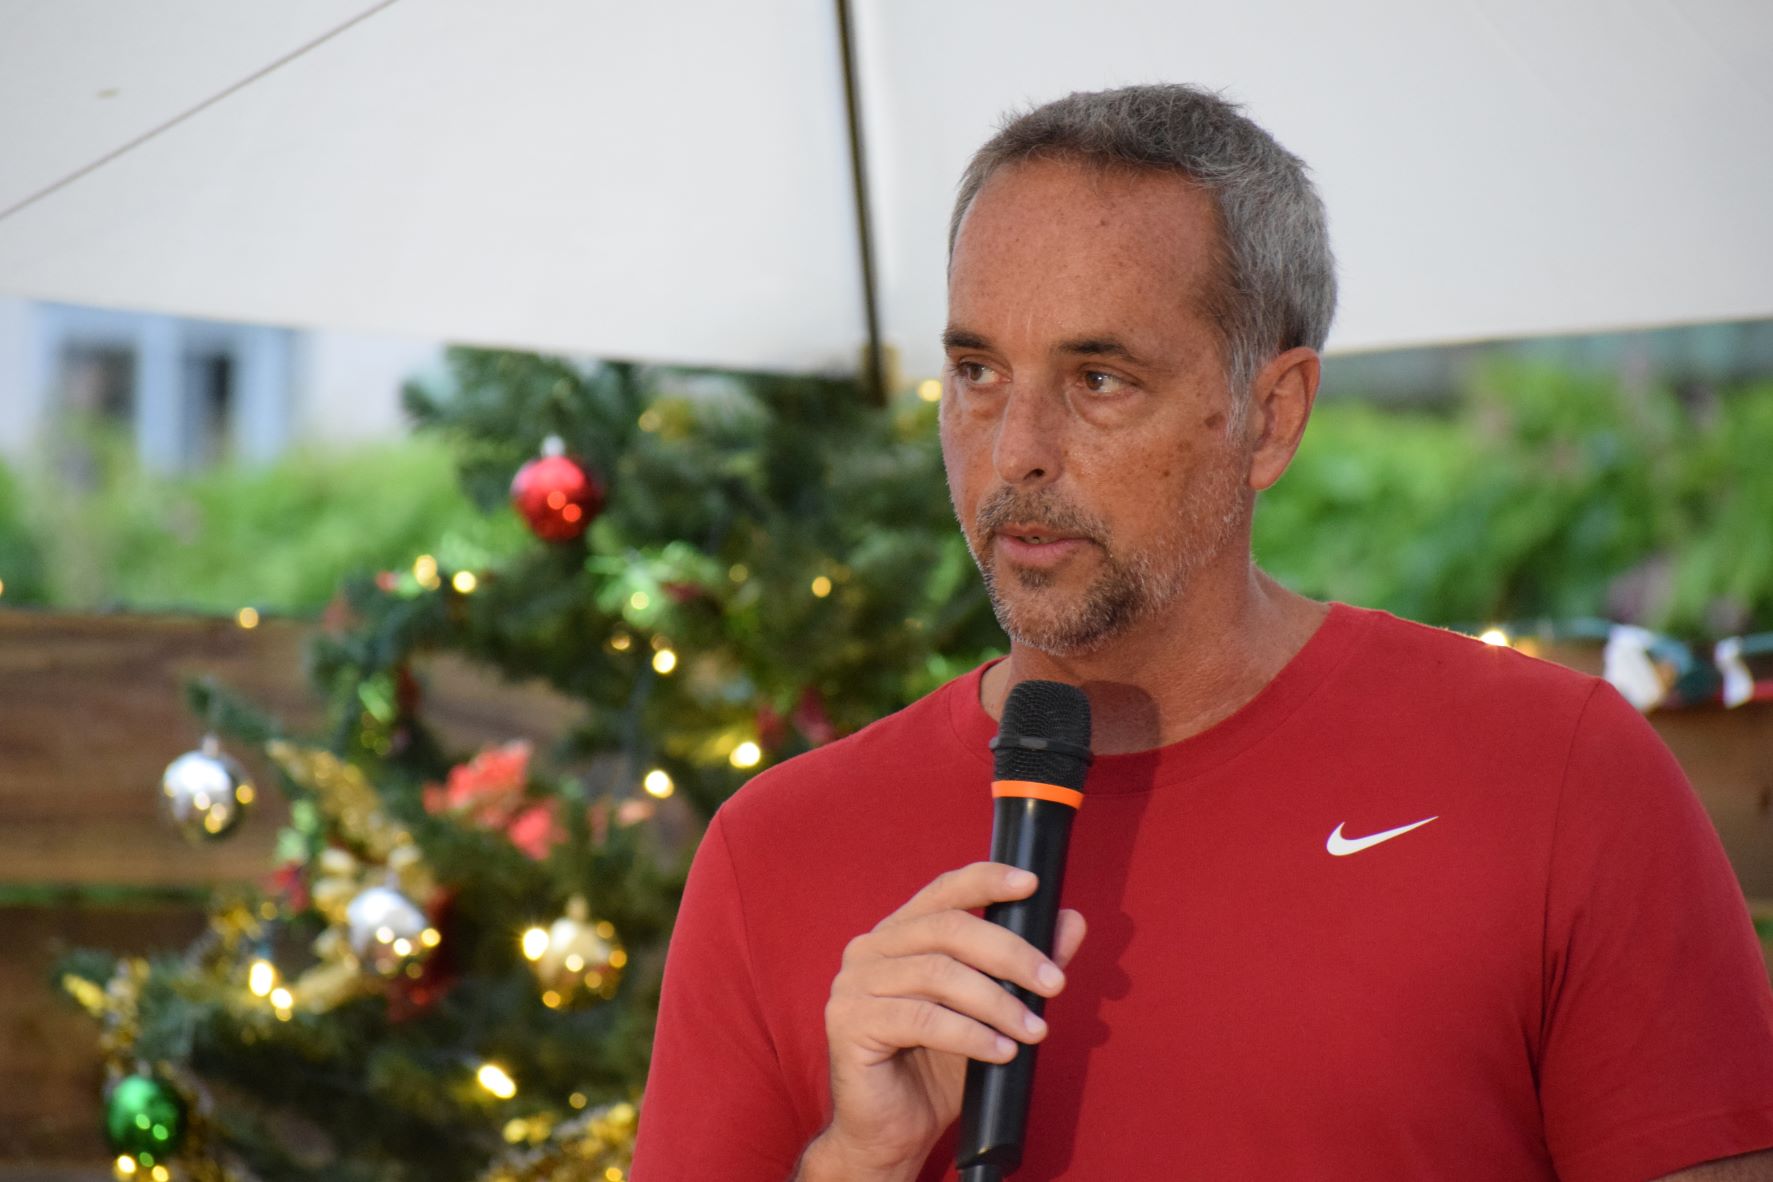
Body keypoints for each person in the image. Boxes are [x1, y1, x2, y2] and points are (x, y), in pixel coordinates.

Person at [631, 84, 1773, 1181]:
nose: (1015, 447)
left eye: (1099, 379)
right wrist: (858, 1164)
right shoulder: (771, 854)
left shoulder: (1555, 773)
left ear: (1271, 417)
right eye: (977, 370)